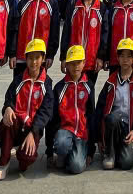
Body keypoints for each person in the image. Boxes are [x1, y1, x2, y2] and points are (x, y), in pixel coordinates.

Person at [0, 39, 54, 181]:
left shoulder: (47, 83)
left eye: (37, 58)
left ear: (43, 59)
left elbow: (46, 112)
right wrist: (8, 108)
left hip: (32, 128)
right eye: (30, 58)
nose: (34, 62)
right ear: (25, 59)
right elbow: (9, 98)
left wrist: (33, 132)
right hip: (17, 124)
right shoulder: (19, 79)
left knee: (25, 160)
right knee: (8, 121)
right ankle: (3, 163)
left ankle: (19, 149)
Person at [96, 38, 133, 170]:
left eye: (129, 56)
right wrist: (99, 138)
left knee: (126, 163)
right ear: (117, 58)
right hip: (113, 125)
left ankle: (120, 149)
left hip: (130, 128)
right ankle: (109, 153)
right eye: (122, 56)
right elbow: (100, 108)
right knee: (113, 117)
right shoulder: (111, 81)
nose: (125, 60)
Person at [48, 45, 96, 175]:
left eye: (79, 62)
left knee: (77, 167)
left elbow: (92, 116)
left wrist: (91, 151)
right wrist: (49, 153)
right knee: (62, 143)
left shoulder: (89, 86)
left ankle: (75, 154)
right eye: (72, 63)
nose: (76, 67)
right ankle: (63, 154)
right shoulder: (59, 88)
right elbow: (52, 119)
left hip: (82, 134)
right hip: (65, 131)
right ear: (67, 65)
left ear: (84, 63)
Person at [10, 0, 62, 74]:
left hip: (41, 57)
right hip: (22, 56)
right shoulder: (23, 3)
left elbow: (55, 31)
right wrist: (12, 53)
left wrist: (50, 55)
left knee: (39, 85)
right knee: (20, 84)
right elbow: (15, 29)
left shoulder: (52, 4)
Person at [60, 0, 104, 89]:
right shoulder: (73, 6)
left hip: (92, 61)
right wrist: (63, 57)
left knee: (89, 93)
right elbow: (66, 32)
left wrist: (101, 57)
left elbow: (105, 35)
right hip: (74, 60)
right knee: (72, 90)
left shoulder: (101, 8)